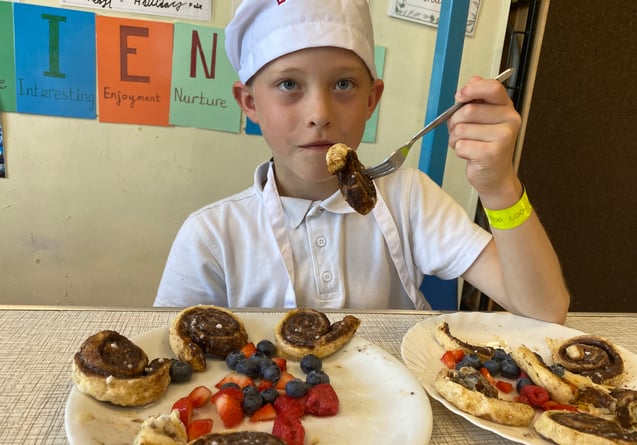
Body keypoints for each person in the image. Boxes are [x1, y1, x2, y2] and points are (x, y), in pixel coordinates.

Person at [154, 0, 569, 323]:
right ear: (250, 102)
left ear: (371, 99)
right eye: (288, 84)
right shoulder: (212, 236)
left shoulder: (410, 199)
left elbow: (544, 312)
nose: (320, 112)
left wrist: (499, 188)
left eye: (343, 84)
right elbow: (176, 354)